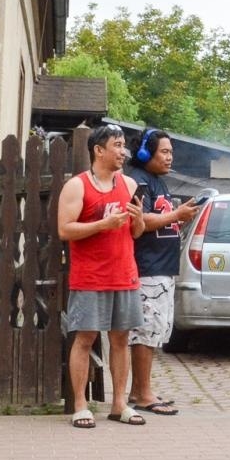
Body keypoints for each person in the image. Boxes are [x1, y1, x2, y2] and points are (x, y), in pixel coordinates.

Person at [56, 122, 146, 429]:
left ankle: (119, 404)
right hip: (90, 277)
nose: (123, 151)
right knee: (85, 338)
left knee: (121, 339)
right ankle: (80, 405)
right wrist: (101, 226)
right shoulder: (78, 186)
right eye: (117, 146)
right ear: (98, 150)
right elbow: (64, 229)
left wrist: (138, 222)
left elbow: (136, 232)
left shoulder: (130, 185)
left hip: (125, 274)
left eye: (124, 146)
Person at [123, 128, 198, 417]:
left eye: (170, 152)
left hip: (162, 269)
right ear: (145, 152)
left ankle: (140, 389)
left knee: (155, 332)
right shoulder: (139, 181)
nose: (170, 157)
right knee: (145, 332)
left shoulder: (158, 182)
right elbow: (142, 218)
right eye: (164, 151)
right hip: (147, 269)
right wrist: (177, 215)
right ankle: (142, 395)